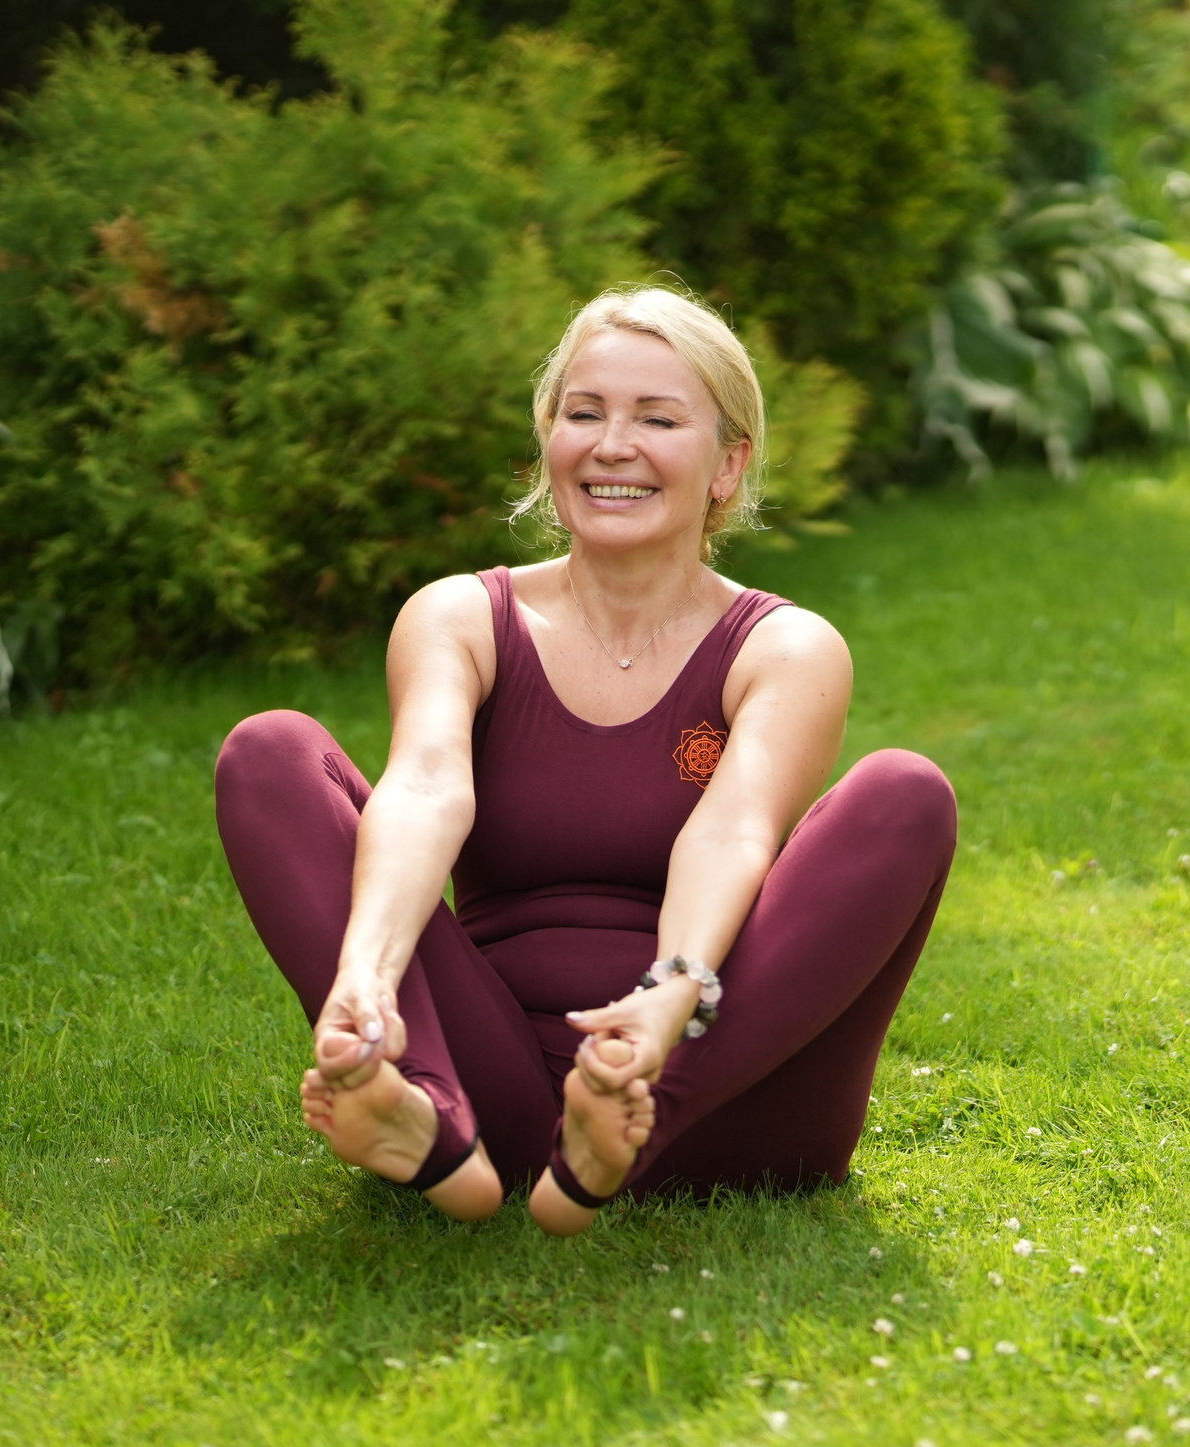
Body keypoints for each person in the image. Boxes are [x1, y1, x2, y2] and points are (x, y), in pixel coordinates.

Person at [214, 287, 956, 1236]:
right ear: (548, 441)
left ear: (728, 463)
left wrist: (659, 1012)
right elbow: (426, 787)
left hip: (728, 1100)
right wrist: (364, 972)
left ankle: (619, 1133)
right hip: (503, 1095)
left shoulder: (785, 647)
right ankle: (425, 1113)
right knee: (270, 751)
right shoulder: (459, 616)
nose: (612, 444)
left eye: (657, 418)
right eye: (584, 412)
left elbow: (731, 831)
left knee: (906, 792)